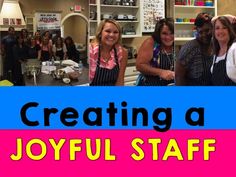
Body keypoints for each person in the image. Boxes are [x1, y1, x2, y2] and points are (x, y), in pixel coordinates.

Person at [175, 12, 213, 86]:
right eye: (200, 32)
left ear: (212, 28)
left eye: (207, 30)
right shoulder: (189, 48)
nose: (204, 35)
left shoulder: (215, 45)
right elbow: (178, 76)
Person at [136, 18, 175, 86]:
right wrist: (160, 72)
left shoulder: (177, 45)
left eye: (172, 33)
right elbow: (140, 65)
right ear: (158, 33)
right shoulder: (151, 43)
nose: (168, 37)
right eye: (164, 33)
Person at [89, 19, 128, 86]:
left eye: (115, 32)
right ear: (100, 33)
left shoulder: (122, 52)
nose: (112, 35)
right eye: (108, 31)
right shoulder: (91, 51)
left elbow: (120, 81)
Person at [211, 16, 236, 85]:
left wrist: (233, 18)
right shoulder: (216, 53)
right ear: (214, 32)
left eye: (224, 27)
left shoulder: (234, 49)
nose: (220, 31)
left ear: (229, 30)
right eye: (217, 28)